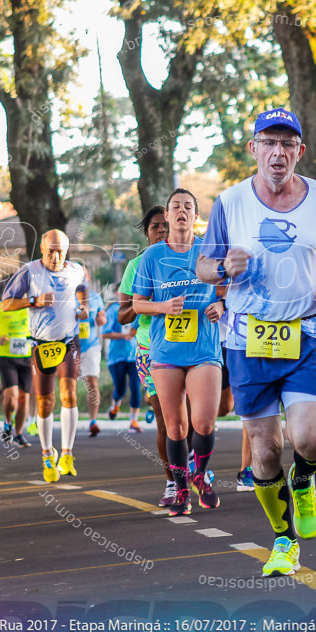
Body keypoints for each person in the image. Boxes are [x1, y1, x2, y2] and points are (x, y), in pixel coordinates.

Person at [197, 108, 316, 576]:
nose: (278, 152)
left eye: (288, 144)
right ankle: (284, 540)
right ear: (254, 149)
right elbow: (203, 267)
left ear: (300, 151)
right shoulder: (229, 203)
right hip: (248, 341)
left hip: (307, 333)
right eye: (269, 142)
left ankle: (306, 477)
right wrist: (224, 268)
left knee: (309, 439)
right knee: (264, 451)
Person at [134, 188, 225, 516]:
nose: (182, 211)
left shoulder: (209, 251)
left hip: (203, 348)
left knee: (204, 422)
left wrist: (220, 304)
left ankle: (200, 474)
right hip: (166, 350)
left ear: (195, 216)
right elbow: (137, 303)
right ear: (168, 216)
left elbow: (227, 290)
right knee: (175, 427)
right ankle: (182, 488)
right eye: (176, 207)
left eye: (188, 206)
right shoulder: (152, 257)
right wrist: (162, 306)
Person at [1, 229, 89, 482]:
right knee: (45, 402)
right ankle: (47, 454)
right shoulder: (29, 271)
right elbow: (7, 302)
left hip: (69, 341)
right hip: (41, 344)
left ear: (67, 249)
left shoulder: (76, 270)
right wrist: (33, 301)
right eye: (50, 250)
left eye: (60, 250)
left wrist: (84, 308)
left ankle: (68, 454)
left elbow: (83, 292)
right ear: (42, 249)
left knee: (69, 395)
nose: (55, 255)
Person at [118, 207, 177, 505]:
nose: (162, 231)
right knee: (167, 421)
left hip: (186, 348)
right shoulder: (136, 266)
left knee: (190, 420)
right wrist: (146, 304)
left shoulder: (187, 257)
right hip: (150, 351)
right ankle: (171, 482)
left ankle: (192, 467)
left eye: (166, 226)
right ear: (147, 232)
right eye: (156, 227)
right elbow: (123, 314)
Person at [0, 287, 32, 448]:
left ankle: (18, 434)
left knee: (24, 397)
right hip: (6, 356)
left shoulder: (29, 308)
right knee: (12, 396)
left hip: (26, 356)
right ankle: (8, 421)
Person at [103, 291, 142, 433]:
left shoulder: (140, 307)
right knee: (120, 388)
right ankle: (115, 405)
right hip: (116, 356)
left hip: (135, 355)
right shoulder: (113, 310)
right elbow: (105, 332)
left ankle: (134, 420)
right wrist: (124, 336)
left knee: (135, 387)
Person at [76, 264, 107, 439]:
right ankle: (71, 417)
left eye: (84, 274)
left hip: (91, 345)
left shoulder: (95, 297)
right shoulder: (67, 297)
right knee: (69, 385)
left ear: (88, 277)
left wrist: (102, 318)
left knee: (92, 383)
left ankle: (93, 421)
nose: (82, 278)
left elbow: (102, 317)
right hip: (71, 347)